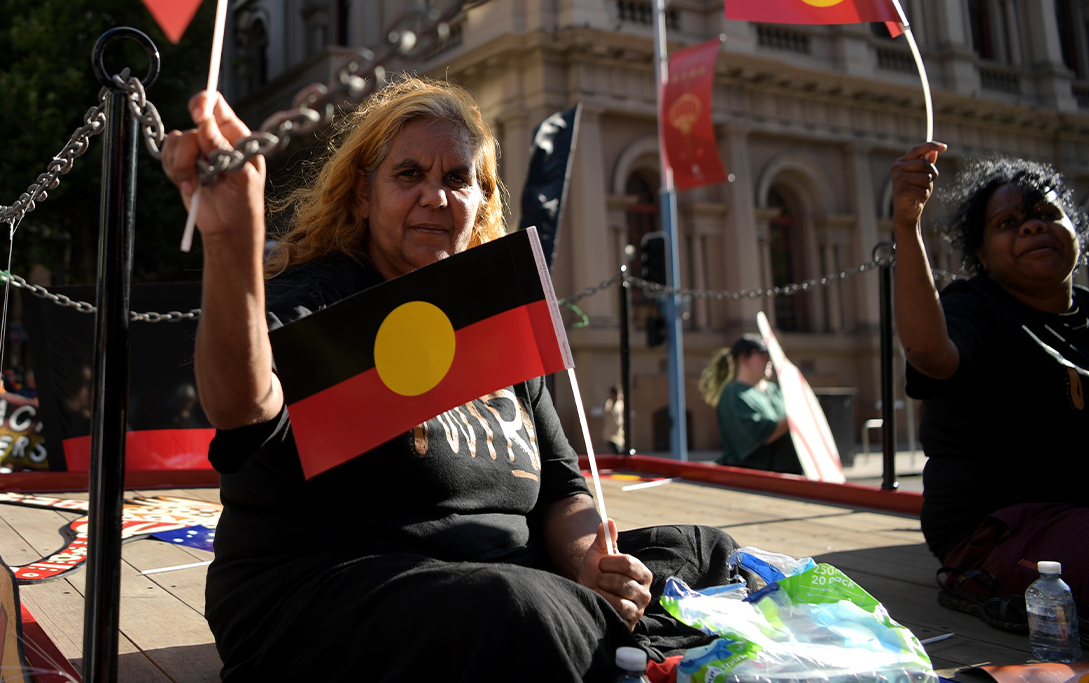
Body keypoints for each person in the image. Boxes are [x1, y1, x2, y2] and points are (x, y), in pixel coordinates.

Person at [161, 78, 739, 680]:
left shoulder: (493, 314)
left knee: (703, 550)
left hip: (513, 578)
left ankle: (608, 635)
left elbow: (563, 491)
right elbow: (243, 408)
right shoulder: (319, 300)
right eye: (408, 174)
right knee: (519, 611)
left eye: (457, 178)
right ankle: (627, 646)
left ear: (481, 201)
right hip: (332, 590)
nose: (434, 197)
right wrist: (231, 241)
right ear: (362, 194)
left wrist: (590, 566)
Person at [892, 143, 1089, 627]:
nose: (1033, 226)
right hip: (996, 531)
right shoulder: (974, 305)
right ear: (981, 253)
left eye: (1048, 214)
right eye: (1008, 222)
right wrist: (906, 226)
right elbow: (930, 355)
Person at [698, 336, 802, 475]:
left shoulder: (773, 390)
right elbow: (758, 436)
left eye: (770, 355)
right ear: (743, 358)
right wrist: (797, 417)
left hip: (788, 476)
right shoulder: (733, 394)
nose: (769, 360)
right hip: (753, 479)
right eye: (763, 355)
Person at [602, 384, 625, 455]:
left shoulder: (620, 404)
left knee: (621, 453)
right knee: (617, 452)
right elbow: (606, 410)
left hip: (620, 434)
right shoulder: (609, 403)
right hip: (611, 435)